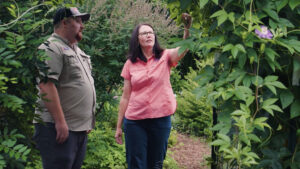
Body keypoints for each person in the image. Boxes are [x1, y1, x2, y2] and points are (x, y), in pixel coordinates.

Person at [115, 13, 192, 169]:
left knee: (156, 163)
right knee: (136, 163)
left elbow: (184, 49)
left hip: (160, 119)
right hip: (135, 121)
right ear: (137, 39)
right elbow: (125, 96)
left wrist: (187, 29)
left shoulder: (165, 56)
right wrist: (118, 126)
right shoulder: (130, 63)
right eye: (144, 33)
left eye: (151, 32)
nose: (149, 35)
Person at [33, 7, 96, 169]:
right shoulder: (51, 47)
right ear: (65, 22)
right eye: (78, 21)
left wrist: (86, 122)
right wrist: (60, 122)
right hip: (58, 128)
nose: (82, 26)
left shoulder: (77, 50)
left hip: (77, 129)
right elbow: (46, 85)